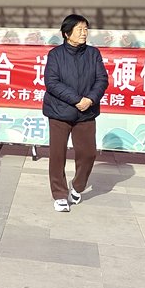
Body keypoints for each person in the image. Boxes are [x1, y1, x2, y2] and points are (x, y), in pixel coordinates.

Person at [43, 14, 108, 212]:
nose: (83, 33)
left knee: (88, 154)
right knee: (57, 155)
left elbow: (102, 79)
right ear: (67, 33)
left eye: (86, 29)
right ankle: (60, 195)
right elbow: (52, 82)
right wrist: (77, 99)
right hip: (59, 112)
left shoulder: (93, 54)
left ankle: (77, 186)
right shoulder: (55, 54)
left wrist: (89, 100)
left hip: (86, 112)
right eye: (79, 29)